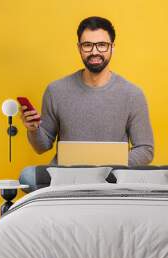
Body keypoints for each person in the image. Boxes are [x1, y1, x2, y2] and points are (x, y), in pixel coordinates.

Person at [20, 16, 154, 166]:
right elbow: (42, 147)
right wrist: (33, 129)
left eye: (102, 45)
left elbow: (145, 149)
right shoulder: (55, 91)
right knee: (28, 175)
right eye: (87, 45)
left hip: (112, 182)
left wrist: (109, 167)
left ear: (112, 47)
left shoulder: (133, 95)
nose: (94, 51)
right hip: (66, 180)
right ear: (79, 48)